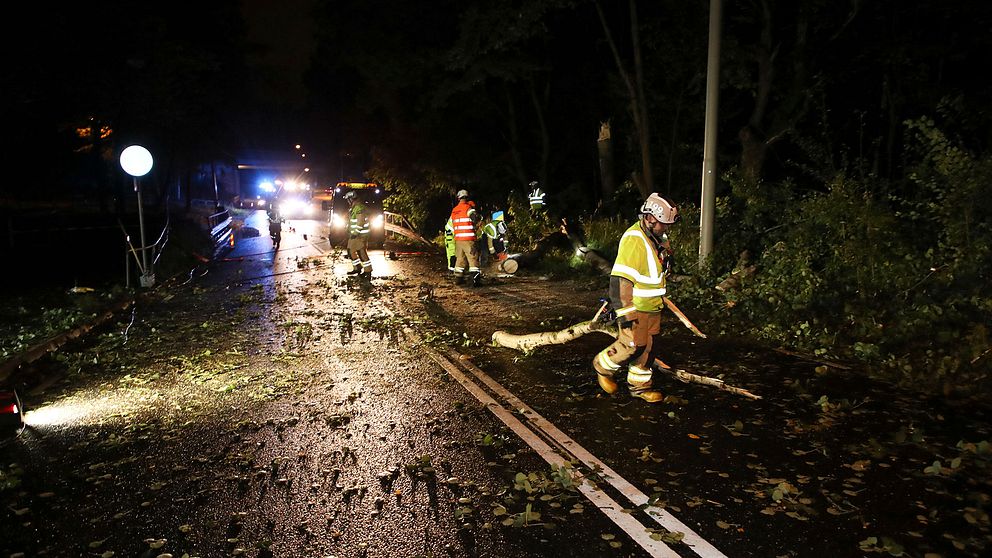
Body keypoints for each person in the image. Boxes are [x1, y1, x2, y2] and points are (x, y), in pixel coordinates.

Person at [591, 193, 680, 403]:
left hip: (653, 306)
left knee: (649, 348)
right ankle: (602, 366)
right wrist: (625, 315)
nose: (665, 228)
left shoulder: (656, 237)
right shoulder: (634, 240)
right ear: (649, 218)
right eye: (662, 224)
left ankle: (640, 387)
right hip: (637, 306)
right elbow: (620, 281)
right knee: (632, 344)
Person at [449, 189, 481, 286]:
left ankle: (458, 278)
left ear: (458, 198)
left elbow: (451, 225)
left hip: (458, 239)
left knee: (460, 259)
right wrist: (474, 209)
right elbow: (475, 218)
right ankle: (474, 280)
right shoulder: (468, 208)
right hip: (468, 239)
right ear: (467, 197)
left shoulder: (454, 210)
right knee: (473, 258)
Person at [344, 190, 372, 278]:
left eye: (348, 200)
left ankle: (368, 272)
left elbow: (360, 223)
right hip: (355, 234)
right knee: (350, 251)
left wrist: (355, 233)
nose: (347, 202)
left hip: (360, 235)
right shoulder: (354, 207)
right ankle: (358, 267)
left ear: (351, 199)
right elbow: (353, 221)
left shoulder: (359, 208)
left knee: (361, 253)